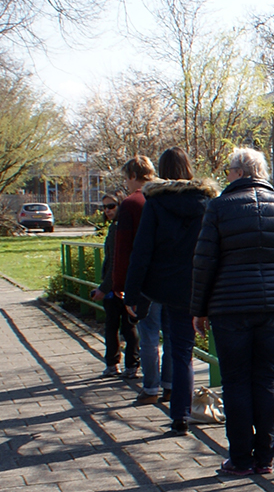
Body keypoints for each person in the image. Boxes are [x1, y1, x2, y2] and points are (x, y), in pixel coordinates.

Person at [190, 147, 274, 476]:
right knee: (267, 379)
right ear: (262, 173)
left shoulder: (219, 208)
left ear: (236, 172)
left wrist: (199, 309)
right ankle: (265, 457)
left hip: (229, 307)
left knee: (236, 381)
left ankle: (239, 457)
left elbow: (203, 262)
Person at [125, 147, 216, 434]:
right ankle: (189, 412)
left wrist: (133, 293)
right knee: (188, 350)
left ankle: (179, 414)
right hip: (199, 284)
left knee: (176, 348)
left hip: (165, 287)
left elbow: (142, 250)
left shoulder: (155, 202)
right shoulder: (208, 201)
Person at [111, 156, 162, 403]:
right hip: (172, 276)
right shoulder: (167, 196)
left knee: (149, 334)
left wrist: (119, 284)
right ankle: (172, 385)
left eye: (126, 178)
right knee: (172, 336)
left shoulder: (131, 204)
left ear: (133, 176)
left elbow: (123, 249)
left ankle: (151, 387)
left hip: (144, 280)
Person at [89, 195, 138, 377]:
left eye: (111, 206)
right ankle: (113, 363)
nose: (107, 210)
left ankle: (131, 365)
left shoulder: (121, 229)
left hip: (121, 285)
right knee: (111, 326)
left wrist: (104, 287)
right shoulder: (113, 228)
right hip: (114, 285)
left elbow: (118, 263)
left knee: (127, 326)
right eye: (104, 207)